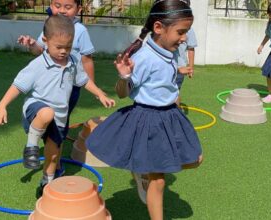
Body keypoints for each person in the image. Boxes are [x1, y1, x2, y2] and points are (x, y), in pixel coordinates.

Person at [85, 1, 203, 219]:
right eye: (181, 32)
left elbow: (160, 77)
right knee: (158, 180)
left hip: (169, 116)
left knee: (195, 159)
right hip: (149, 119)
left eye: (186, 32)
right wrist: (124, 76)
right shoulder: (144, 57)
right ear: (158, 28)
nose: (185, 38)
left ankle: (144, 170)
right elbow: (122, 93)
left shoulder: (166, 51)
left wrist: (176, 82)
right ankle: (149, 179)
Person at [0, 15, 115, 192]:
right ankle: (31, 147)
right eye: (59, 47)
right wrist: (2, 105)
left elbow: (83, 81)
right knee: (47, 112)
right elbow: (18, 86)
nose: (64, 51)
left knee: (53, 156)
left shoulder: (73, 62)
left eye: (68, 46)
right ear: (45, 40)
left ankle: (47, 182)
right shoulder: (38, 64)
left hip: (60, 116)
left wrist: (100, 93)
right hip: (36, 109)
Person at [17, 0, 96, 175]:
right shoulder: (50, 25)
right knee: (46, 119)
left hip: (68, 87)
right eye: (57, 5)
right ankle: (44, 153)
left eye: (68, 7)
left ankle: (55, 162)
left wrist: (93, 87)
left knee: (59, 124)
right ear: (51, 5)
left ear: (78, 9)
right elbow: (40, 49)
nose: (61, 10)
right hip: (47, 84)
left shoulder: (81, 31)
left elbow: (87, 58)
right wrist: (32, 44)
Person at [174, 20, 197, 105]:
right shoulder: (169, 25)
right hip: (167, 65)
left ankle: (175, 114)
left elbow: (191, 48)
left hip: (181, 67)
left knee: (175, 92)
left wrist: (191, 68)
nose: (183, 38)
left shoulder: (190, 30)